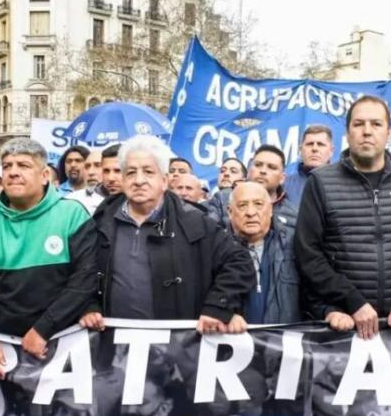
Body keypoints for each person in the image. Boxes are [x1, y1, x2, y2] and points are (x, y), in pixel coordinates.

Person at [295, 96, 391, 339]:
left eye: (376, 124)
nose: (367, 132)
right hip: (344, 323)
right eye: (358, 124)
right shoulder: (321, 182)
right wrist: (350, 302)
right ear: (347, 132)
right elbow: (308, 254)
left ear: (389, 132)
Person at [80, 135, 253, 334]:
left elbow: (239, 262)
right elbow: (82, 274)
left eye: (148, 172)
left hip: (178, 350)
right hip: (114, 351)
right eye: (131, 172)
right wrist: (89, 306)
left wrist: (217, 306)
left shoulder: (194, 222)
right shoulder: (101, 221)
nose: (139, 180)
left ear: (164, 181)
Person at [0, 139, 96, 379]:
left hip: (61, 347)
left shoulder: (72, 214)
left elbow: (84, 280)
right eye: (7, 166)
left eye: (23, 165)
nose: (12, 172)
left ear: (44, 175)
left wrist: (43, 330)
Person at [228, 181, 300, 323]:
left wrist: (329, 310)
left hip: (282, 341)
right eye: (242, 205)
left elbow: (313, 292)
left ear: (271, 210)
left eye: (258, 204)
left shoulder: (294, 245)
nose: (251, 212)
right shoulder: (216, 250)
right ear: (230, 212)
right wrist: (224, 314)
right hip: (234, 340)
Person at [207, 145, 298, 230]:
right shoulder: (223, 199)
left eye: (271, 167)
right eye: (258, 165)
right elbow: (210, 237)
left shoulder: (293, 214)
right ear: (249, 170)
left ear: (282, 178)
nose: (263, 171)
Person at [284, 124, 334, 206]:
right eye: (310, 144)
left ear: (331, 151)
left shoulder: (343, 186)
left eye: (320, 144)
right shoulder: (285, 185)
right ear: (300, 150)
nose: (314, 149)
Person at [66, 150, 107, 214]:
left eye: (98, 165)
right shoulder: (70, 200)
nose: (90, 172)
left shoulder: (124, 202)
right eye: (87, 167)